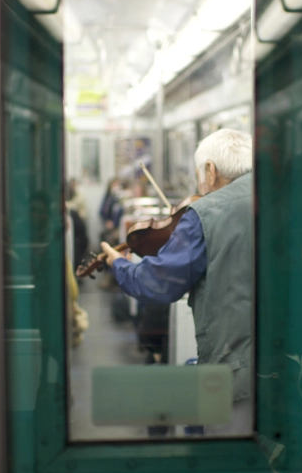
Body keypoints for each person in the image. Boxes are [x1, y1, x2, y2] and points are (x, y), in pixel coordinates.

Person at [99, 128, 254, 436]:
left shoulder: (205, 213)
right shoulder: (281, 195)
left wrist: (117, 263)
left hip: (233, 371)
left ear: (210, 170)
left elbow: (157, 284)